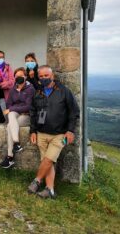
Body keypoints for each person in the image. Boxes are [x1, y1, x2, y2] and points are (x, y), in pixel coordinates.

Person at [27, 65, 79, 199]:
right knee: (48, 162)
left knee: (49, 159)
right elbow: (33, 113)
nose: (44, 78)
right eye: (41, 76)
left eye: (46, 76)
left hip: (59, 135)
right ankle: (50, 190)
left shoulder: (64, 91)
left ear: (52, 76)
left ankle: (37, 180)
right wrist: (33, 131)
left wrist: (70, 131)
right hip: (41, 133)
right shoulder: (38, 92)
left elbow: (74, 112)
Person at [0, 68, 35, 169]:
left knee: (10, 126)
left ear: (25, 77)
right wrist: (12, 109)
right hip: (16, 114)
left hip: (26, 115)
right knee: (11, 116)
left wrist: (12, 108)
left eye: (21, 76)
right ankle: (16, 143)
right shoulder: (13, 90)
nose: (19, 78)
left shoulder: (30, 89)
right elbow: (8, 104)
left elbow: (28, 106)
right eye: (17, 76)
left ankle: (10, 157)